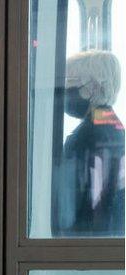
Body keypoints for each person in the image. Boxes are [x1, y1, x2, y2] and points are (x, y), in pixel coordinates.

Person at [52, 50, 124, 237]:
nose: (63, 89)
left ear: (92, 87)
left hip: (84, 245)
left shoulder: (87, 136)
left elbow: (70, 209)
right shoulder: (114, 127)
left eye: (69, 82)